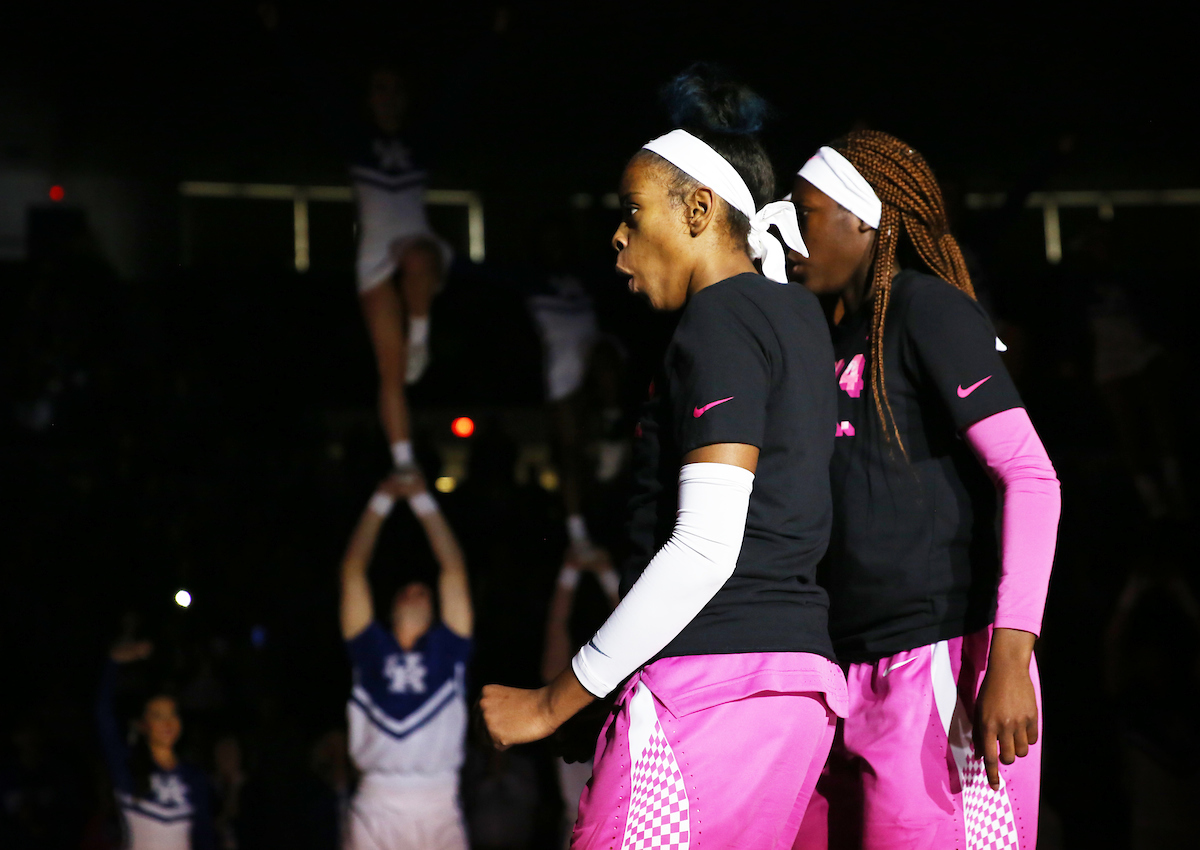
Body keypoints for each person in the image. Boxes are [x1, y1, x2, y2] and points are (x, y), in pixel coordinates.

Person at [480, 66, 848, 849]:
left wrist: (555, 701)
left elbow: (708, 546)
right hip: (790, 687)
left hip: (712, 688)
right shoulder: (796, 317)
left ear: (698, 209)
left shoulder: (719, 320)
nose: (618, 233)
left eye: (633, 209)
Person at [785, 130, 1061, 849]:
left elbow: (1031, 476)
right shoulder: (829, 334)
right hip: (849, 669)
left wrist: (1008, 661)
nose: (790, 229)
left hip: (940, 666)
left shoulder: (924, 307)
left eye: (805, 212)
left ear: (865, 218)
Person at [261, 5, 449, 475]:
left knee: (420, 259)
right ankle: (404, 463)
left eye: (395, 90)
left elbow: (460, 96)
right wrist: (279, 30)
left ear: (406, 98)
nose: (388, 98)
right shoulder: (354, 138)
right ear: (368, 98)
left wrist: (495, 35)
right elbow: (314, 86)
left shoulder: (422, 142)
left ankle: (421, 337)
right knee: (389, 372)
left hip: (415, 243)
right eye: (379, 90)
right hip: (373, 253)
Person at [339, 471, 474, 850]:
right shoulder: (369, 648)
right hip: (376, 802)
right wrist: (380, 500)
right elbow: (352, 571)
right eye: (409, 588)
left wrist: (422, 500)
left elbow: (453, 569)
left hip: (438, 802)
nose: (418, 589)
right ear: (393, 606)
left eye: (424, 590)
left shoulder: (448, 649)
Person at [96, 640, 216, 850]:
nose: (167, 723)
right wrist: (112, 663)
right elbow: (103, 717)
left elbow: (205, 837)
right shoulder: (129, 768)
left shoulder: (194, 776)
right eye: (158, 716)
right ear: (143, 725)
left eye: (173, 714)